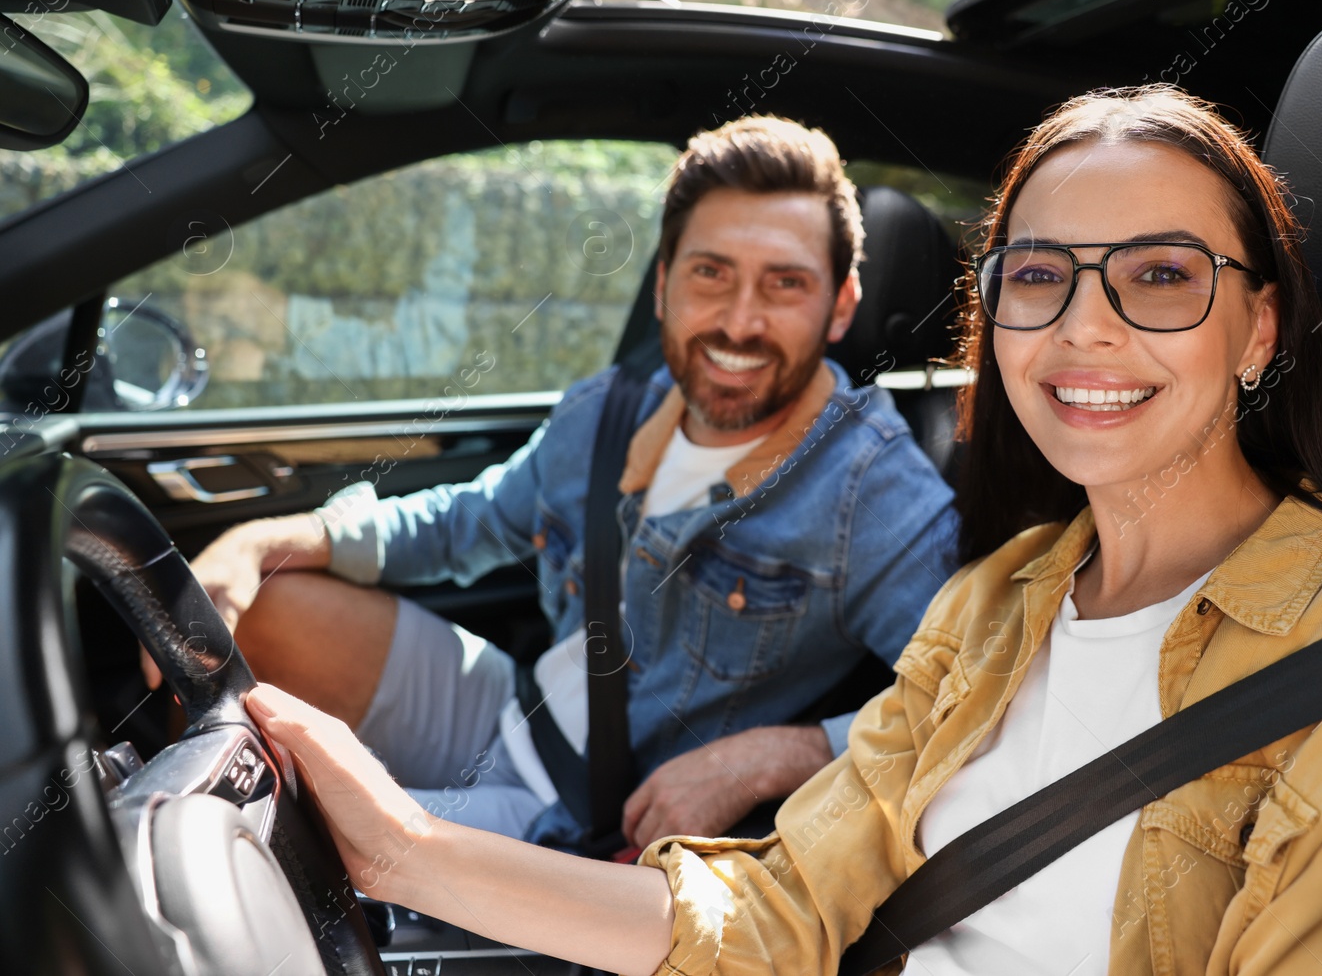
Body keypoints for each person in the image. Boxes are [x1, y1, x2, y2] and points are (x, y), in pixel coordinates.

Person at [245, 87, 1322, 976]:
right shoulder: (992, 606)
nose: (1087, 325)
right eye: (1040, 275)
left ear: (1260, 327)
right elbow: (769, 912)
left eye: (1160, 274)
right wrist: (396, 845)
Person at [184, 114, 960, 852]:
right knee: (259, 603)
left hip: (587, 821)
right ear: (663, 287)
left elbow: (970, 695)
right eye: (711, 274)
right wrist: (257, 541)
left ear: (840, 306)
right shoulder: (613, 407)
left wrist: (773, 756)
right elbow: (471, 521)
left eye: (785, 284)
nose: (740, 321)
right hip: (513, 706)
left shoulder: (874, 488)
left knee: (267, 848)